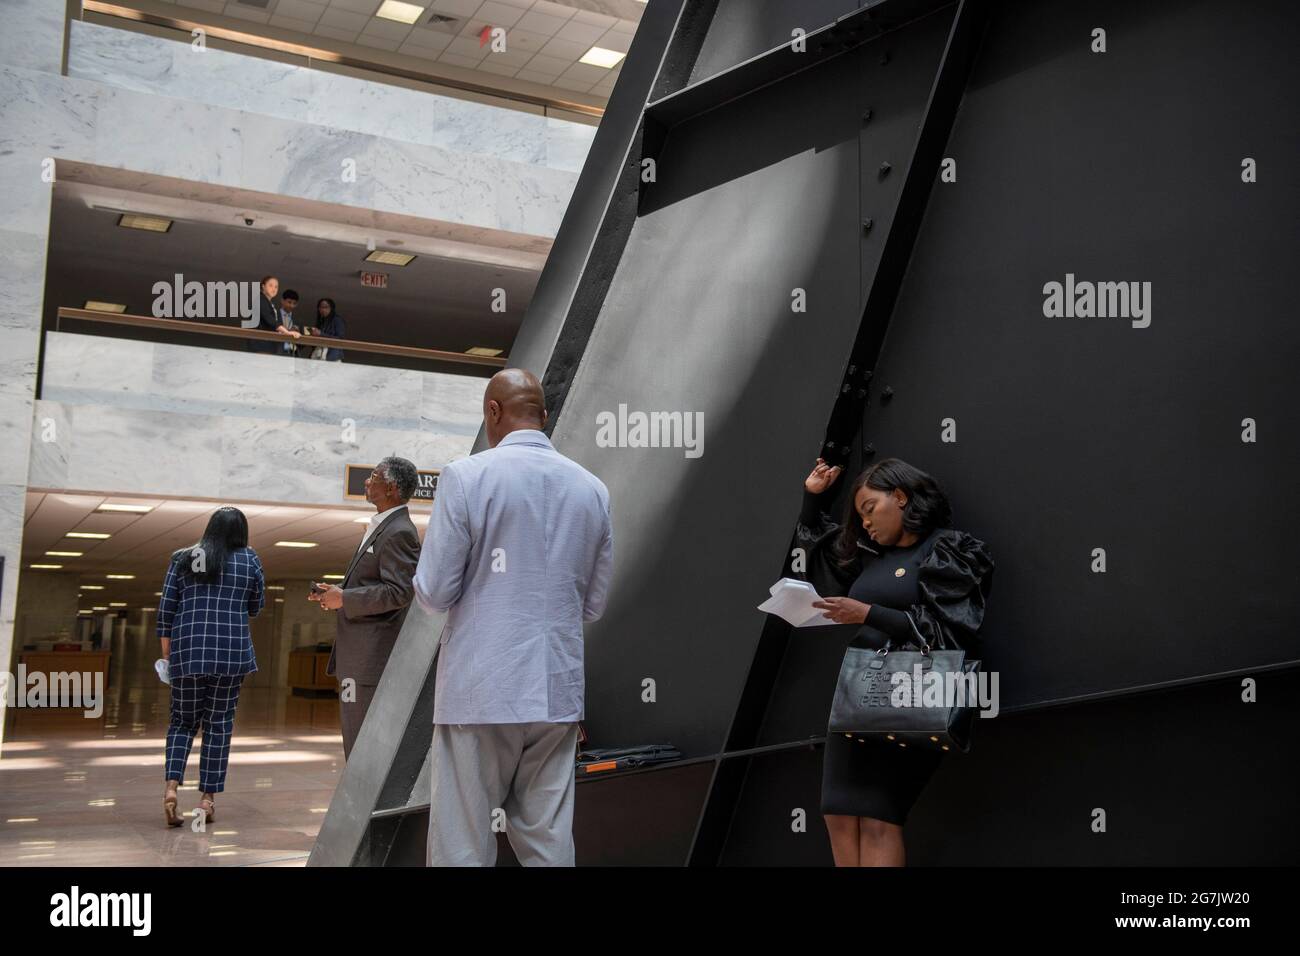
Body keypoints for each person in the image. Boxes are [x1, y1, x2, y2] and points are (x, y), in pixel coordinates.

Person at [414, 368, 613, 867]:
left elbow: (434, 594)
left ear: (493, 412)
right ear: (544, 417)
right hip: (555, 690)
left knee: (462, 840)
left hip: (480, 691)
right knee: (548, 838)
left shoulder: (466, 476)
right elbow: (593, 605)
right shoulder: (592, 490)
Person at [795, 456, 993, 867]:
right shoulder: (873, 559)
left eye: (870, 510)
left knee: (879, 818)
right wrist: (812, 500)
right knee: (838, 814)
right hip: (855, 698)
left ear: (900, 497)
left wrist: (866, 614)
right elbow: (825, 551)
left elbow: (950, 630)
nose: (865, 523)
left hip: (910, 694)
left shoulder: (947, 549)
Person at [156, 506, 265, 827]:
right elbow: (256, 606)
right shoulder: (250, 560)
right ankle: (206, 801)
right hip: (231, 654)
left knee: (181, 722)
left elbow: (166, 610)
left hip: (189, 652)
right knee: (218, 725)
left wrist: (167, 656)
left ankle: (171, 788)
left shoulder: (183, 557)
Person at [310, 457, 421, 759]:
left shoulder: (400, 532)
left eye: (374, 477)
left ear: (392, 488)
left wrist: (345, 598)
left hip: (371, 661)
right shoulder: (383, 527)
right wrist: (336, 593)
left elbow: (399, 592)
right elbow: (377, 584)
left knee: (362, 748)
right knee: (356, 742)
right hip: (359, 658)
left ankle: (356, 806)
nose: (367, 482)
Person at [246, 275, 300, 354]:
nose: (273, 289)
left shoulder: (270, 303)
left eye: (276, 287)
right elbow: (271, 321)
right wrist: (287, 332)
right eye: (270, 285)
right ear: (263, 287)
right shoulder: (260, 300)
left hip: (267, 345)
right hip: (261, 344)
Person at [308, 297, 346, 362]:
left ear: (331, 308)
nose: (323, 310)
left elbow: (340, 338)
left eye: (326, 307)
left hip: (333, 356)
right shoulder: (321, 320)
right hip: (319, 354)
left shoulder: (337, 320)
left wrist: (321, 334)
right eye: (321, 307)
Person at [278, 287, 301, 357]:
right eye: (289, 302)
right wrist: (288, 331)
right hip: (277, 350)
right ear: (282, 301)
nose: (292, 305)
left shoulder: (297, 318)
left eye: (294, 303)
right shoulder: (275, 314)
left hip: (292, 352)